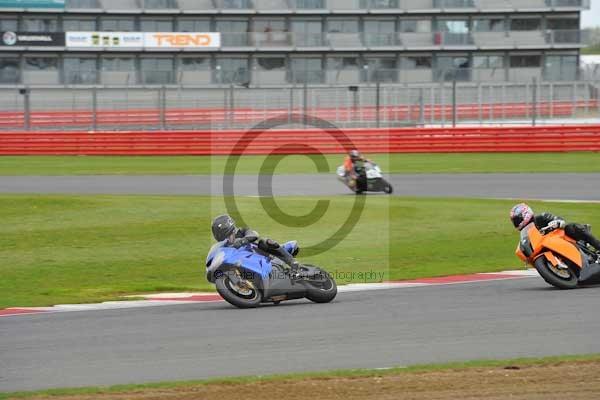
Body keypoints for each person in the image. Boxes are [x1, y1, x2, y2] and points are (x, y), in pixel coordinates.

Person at [510, 203, 600, 281]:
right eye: (515, 221)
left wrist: (556, 222)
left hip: (563, 238)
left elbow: (558, 219)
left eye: (517, 220)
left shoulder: (541, 217)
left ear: (526, 214)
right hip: (548, 246)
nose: (516, 223)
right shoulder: (527, 233)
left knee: (571, 227)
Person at [211, 214, 300, 271]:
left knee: (264, 242)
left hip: (266, 256)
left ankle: (292, 262)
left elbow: (254, 234)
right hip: (248, 265)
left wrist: (242, 241)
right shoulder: (225, 248)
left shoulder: (242, 231)